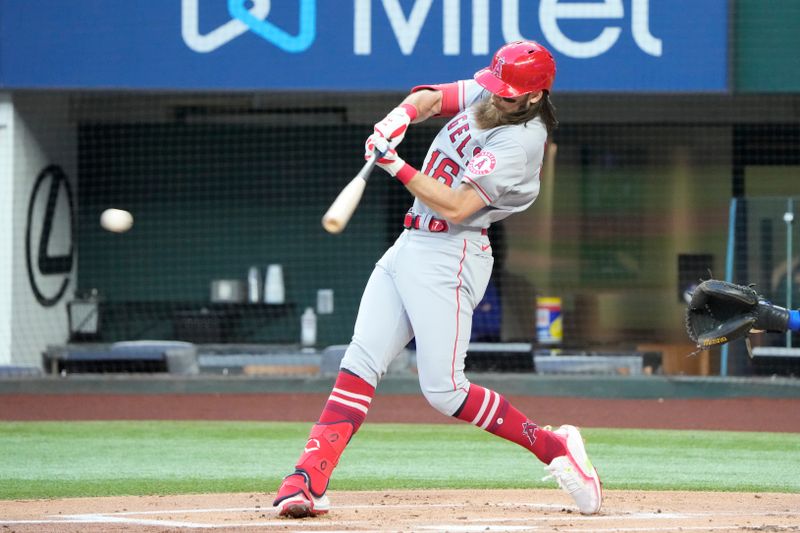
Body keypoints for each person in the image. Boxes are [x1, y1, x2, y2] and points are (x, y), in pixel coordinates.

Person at [273, 40, 602, 518]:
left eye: (508, 93)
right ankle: (307, 477)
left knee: (445, 391)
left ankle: (554, 446)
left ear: (534, 97)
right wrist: (399, 118)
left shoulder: (522, 140)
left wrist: (394, 164)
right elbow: (429, 97)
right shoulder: (491, 94)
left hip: (454, 251)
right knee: (360, 360)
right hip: (410, 243)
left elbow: (457, 205)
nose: (495, 96)